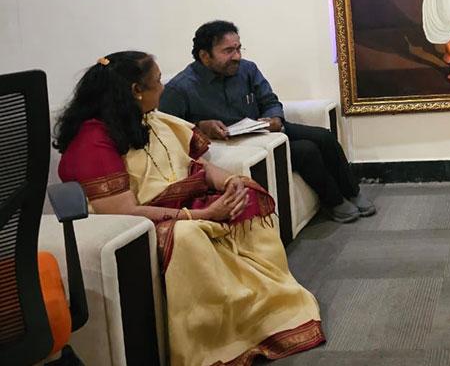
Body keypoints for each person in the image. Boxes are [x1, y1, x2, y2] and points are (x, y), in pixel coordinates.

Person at [55, 51, 325, 366]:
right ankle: (218, 335)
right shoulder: (93, 140)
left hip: (181, 204)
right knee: (187, 238)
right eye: (157, 82)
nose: (162, 89)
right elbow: (124, 210)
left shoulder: (150, 118)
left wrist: (231, 182)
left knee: (249, 197)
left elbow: (195, 165)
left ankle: (266, 306)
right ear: (135, 91)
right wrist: (204, 215)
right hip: (142, 224)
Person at [159, 20, 373, 223]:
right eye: (228, 51)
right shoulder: (180, 89)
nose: (236, 56)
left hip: (262, 129)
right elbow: (171, 133)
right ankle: (334, 202)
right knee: (306, 150)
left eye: (238, 48)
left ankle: (352, 192)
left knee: (323, 136)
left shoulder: (247, 69)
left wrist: (275, 118)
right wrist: (201, 127)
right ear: (205, 56)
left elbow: (269, 100)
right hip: (235, 144)